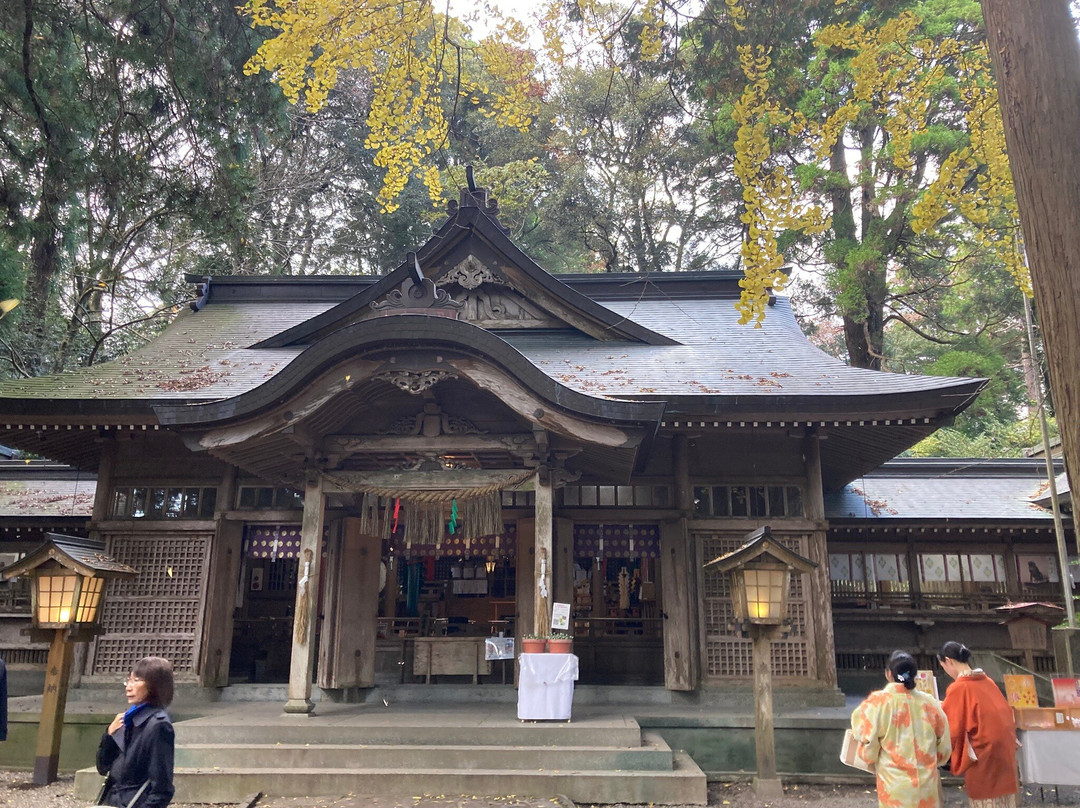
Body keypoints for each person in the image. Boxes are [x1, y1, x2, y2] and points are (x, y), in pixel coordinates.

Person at [851, 650, 952, 808]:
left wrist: (869, 757)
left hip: (894, 788)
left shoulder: (877, 703)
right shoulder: (930, 704)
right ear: (914, 675)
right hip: (926, 786)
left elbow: (867, 743)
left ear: (889, 674)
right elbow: (944, 748)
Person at [938, 641, 1020, 808]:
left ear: (949, 661)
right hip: (1004, 754)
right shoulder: (987, 681)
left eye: (943, 666)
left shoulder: (959, 688)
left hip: (983, 757)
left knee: (985, 800)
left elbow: (951, 730)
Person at [95, 656, 175, 807]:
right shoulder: (127, 719)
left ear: (155, 685)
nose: (128, 687)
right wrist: (109, 735)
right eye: (129, 680)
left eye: (136, 680)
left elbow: (162, 789)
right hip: (112, 800)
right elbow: (103, 767)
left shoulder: (158, 726)